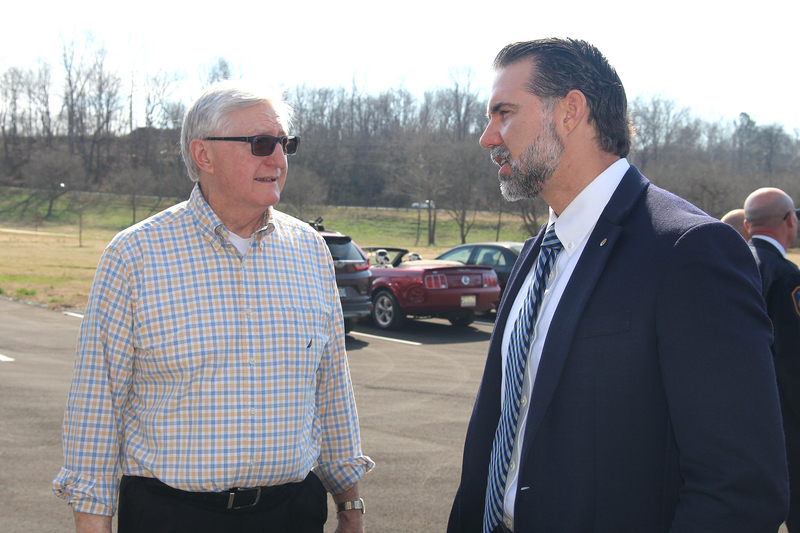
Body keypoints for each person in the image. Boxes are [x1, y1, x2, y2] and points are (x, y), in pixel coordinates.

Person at [448, 38, 789, 533]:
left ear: (570, 111)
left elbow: (741, 491)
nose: (487, 137)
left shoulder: (689, 251)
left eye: (503, 113)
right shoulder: (534, 255)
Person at [53, 81, 373, 533]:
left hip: (293, 514)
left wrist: (350, 505)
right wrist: (92, 523)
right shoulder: (135, 255)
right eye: (261, 144)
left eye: (285, 144)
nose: (278, 160)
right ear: (204, 155)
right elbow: (96, 402)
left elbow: (332, 387)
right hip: (172, 516)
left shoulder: (310, 251)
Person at [745, 187, 800, 532]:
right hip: (785, 420)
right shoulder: (786, 276)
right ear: (789, 220)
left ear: (748, 226)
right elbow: (793, 360)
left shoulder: (732, 262)